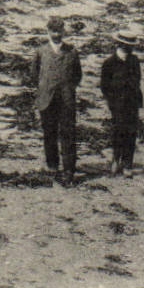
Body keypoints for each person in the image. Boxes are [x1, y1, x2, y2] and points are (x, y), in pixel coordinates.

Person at [32, 19, 82, 183]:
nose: (56, 34)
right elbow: (34, 74)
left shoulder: (72, 52)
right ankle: (52, 165)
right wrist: (43, 89)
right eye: (53, 31)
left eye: (59, 30)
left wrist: (67, 89)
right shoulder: (41, 51)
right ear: (48, 31)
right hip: (47, 98)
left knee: (68, 133)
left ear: (63, 31)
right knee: (49, 133)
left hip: (66, 99)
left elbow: (77, 75)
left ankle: (69, 168)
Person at [99, 30, 144, 175]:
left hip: (132, 102)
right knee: (118, 131)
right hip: (117, 104)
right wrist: (111, 101)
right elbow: (104, 85)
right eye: (125, 44)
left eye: (130, 45)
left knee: (131, 132)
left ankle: (128, 164)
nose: (128, 47)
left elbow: (137, 81)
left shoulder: (134, 61)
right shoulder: (109, 63)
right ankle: (115, 159)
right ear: (118, 44)